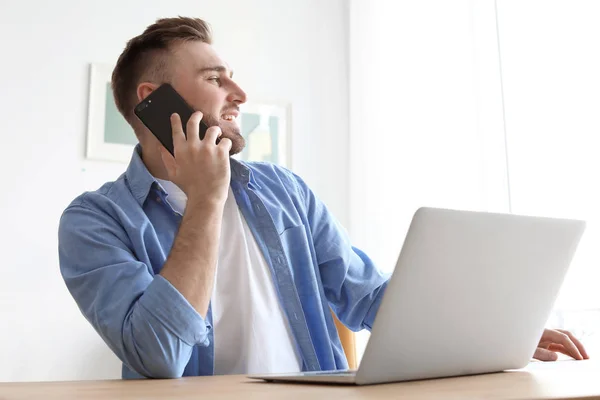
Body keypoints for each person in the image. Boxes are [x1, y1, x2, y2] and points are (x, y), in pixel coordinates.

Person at [58, 16, 589, 380]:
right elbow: (157, 356)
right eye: (216, 79)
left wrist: (497, 329)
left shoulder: (284, 191)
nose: (239, 95)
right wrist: (205, 198)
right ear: (154, 103)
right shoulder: (95, 222)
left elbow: (370, 297)